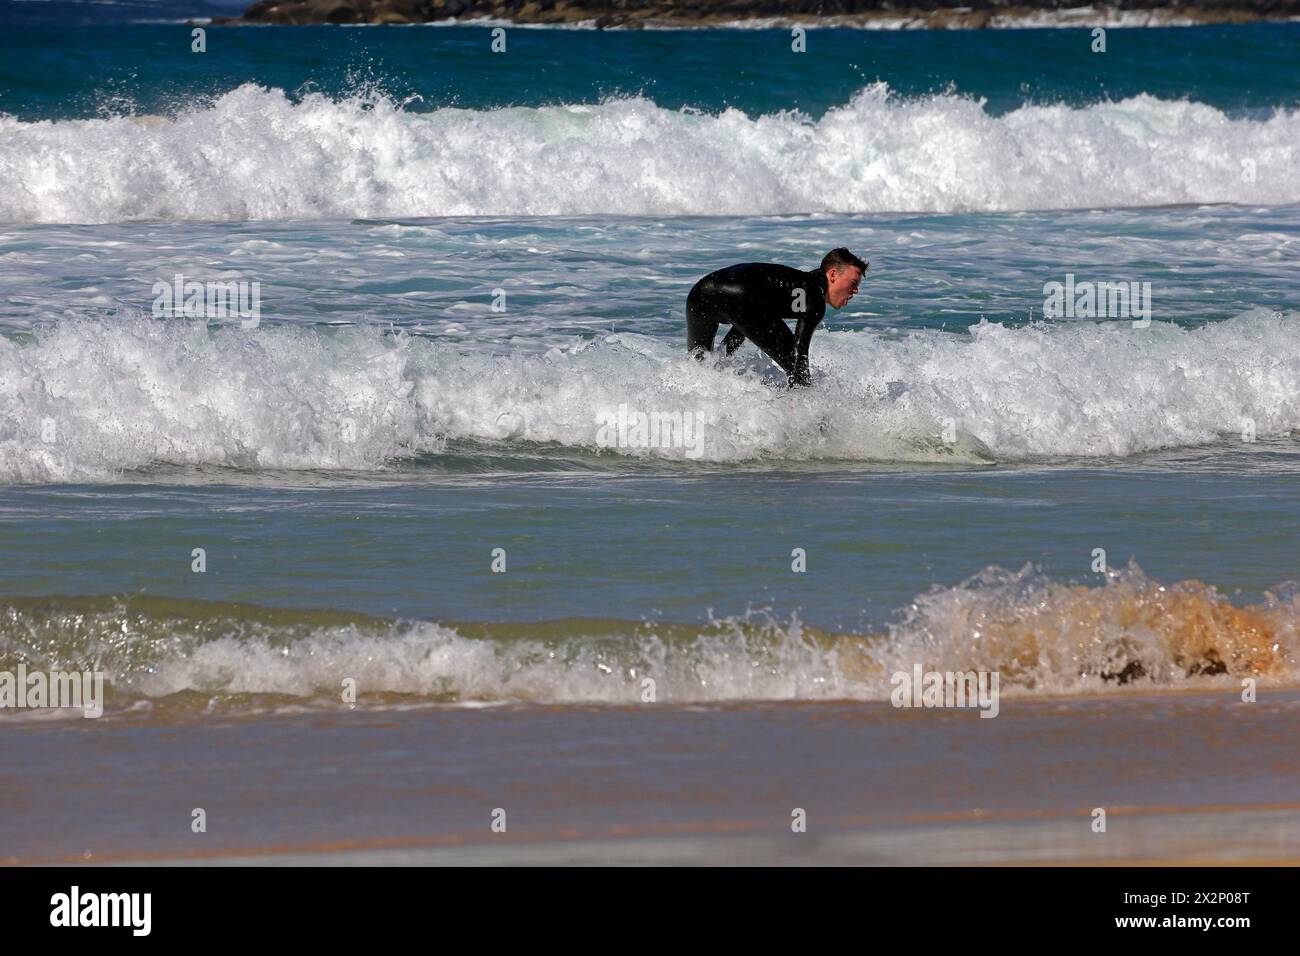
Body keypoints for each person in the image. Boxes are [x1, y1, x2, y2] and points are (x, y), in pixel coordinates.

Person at [685, 247, 866, 387]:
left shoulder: (792, 288)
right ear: (833, 274)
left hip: (700, 293)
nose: (855, 291)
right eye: (853, 283)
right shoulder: (813, 297)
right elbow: (799, 351)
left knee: (700, 365)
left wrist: (723, 356)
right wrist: (801, 386)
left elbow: (746, 318)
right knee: (798, 372)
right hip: (736, 295)